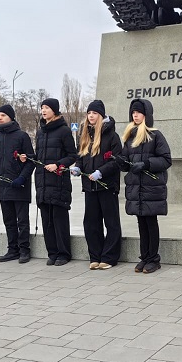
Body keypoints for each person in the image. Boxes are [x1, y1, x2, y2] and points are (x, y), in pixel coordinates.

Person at [117, 98, 172, 273]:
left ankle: (153, 259)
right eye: (133, 112)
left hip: (151, 188)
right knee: (141, 222)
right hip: (136, 188)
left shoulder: (155, 135)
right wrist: (121, 162)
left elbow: (166, 160)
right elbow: (126, 161)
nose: (135, 115)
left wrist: (146, 164)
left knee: (150, 222)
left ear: (146, 115)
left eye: (139, 112)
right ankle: (144, 257)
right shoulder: (129, 136)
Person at [70, 100, 123, 270]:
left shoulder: (112, 136)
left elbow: (117, 161)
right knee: (91, 223)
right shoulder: (85, 135)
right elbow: (81, 156)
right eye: (89, 113)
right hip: (90, 187)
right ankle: (95, 255)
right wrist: (77, 167)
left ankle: (109, 257)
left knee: (111, 222)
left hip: (107, 186)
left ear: (101, 115)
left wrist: (101, 172)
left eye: (94, 113)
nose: (91, 116)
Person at [0, 104, 35, 264]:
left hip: (19, 186)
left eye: (3, 115)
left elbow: (30, 161)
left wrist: (22, 178)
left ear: (11, 117)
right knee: (9, 220)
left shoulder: (22, 136)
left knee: (22, 221)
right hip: (4, 186)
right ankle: (13, 250)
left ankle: (25, 250)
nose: (0, 118)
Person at [28, 97, 78, 266]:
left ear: (55, 110)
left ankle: (64, 254)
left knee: (59, 219)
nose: (43, 111)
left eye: (47, 108)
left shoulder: (64, 131)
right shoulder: (40, 132)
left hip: (58, 182)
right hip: (42, 182)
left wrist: (57, 164)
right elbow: (39, 156)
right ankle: (52, 252)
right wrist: (27, 158)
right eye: (42, 107)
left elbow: (73, 155)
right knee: (46, 220)